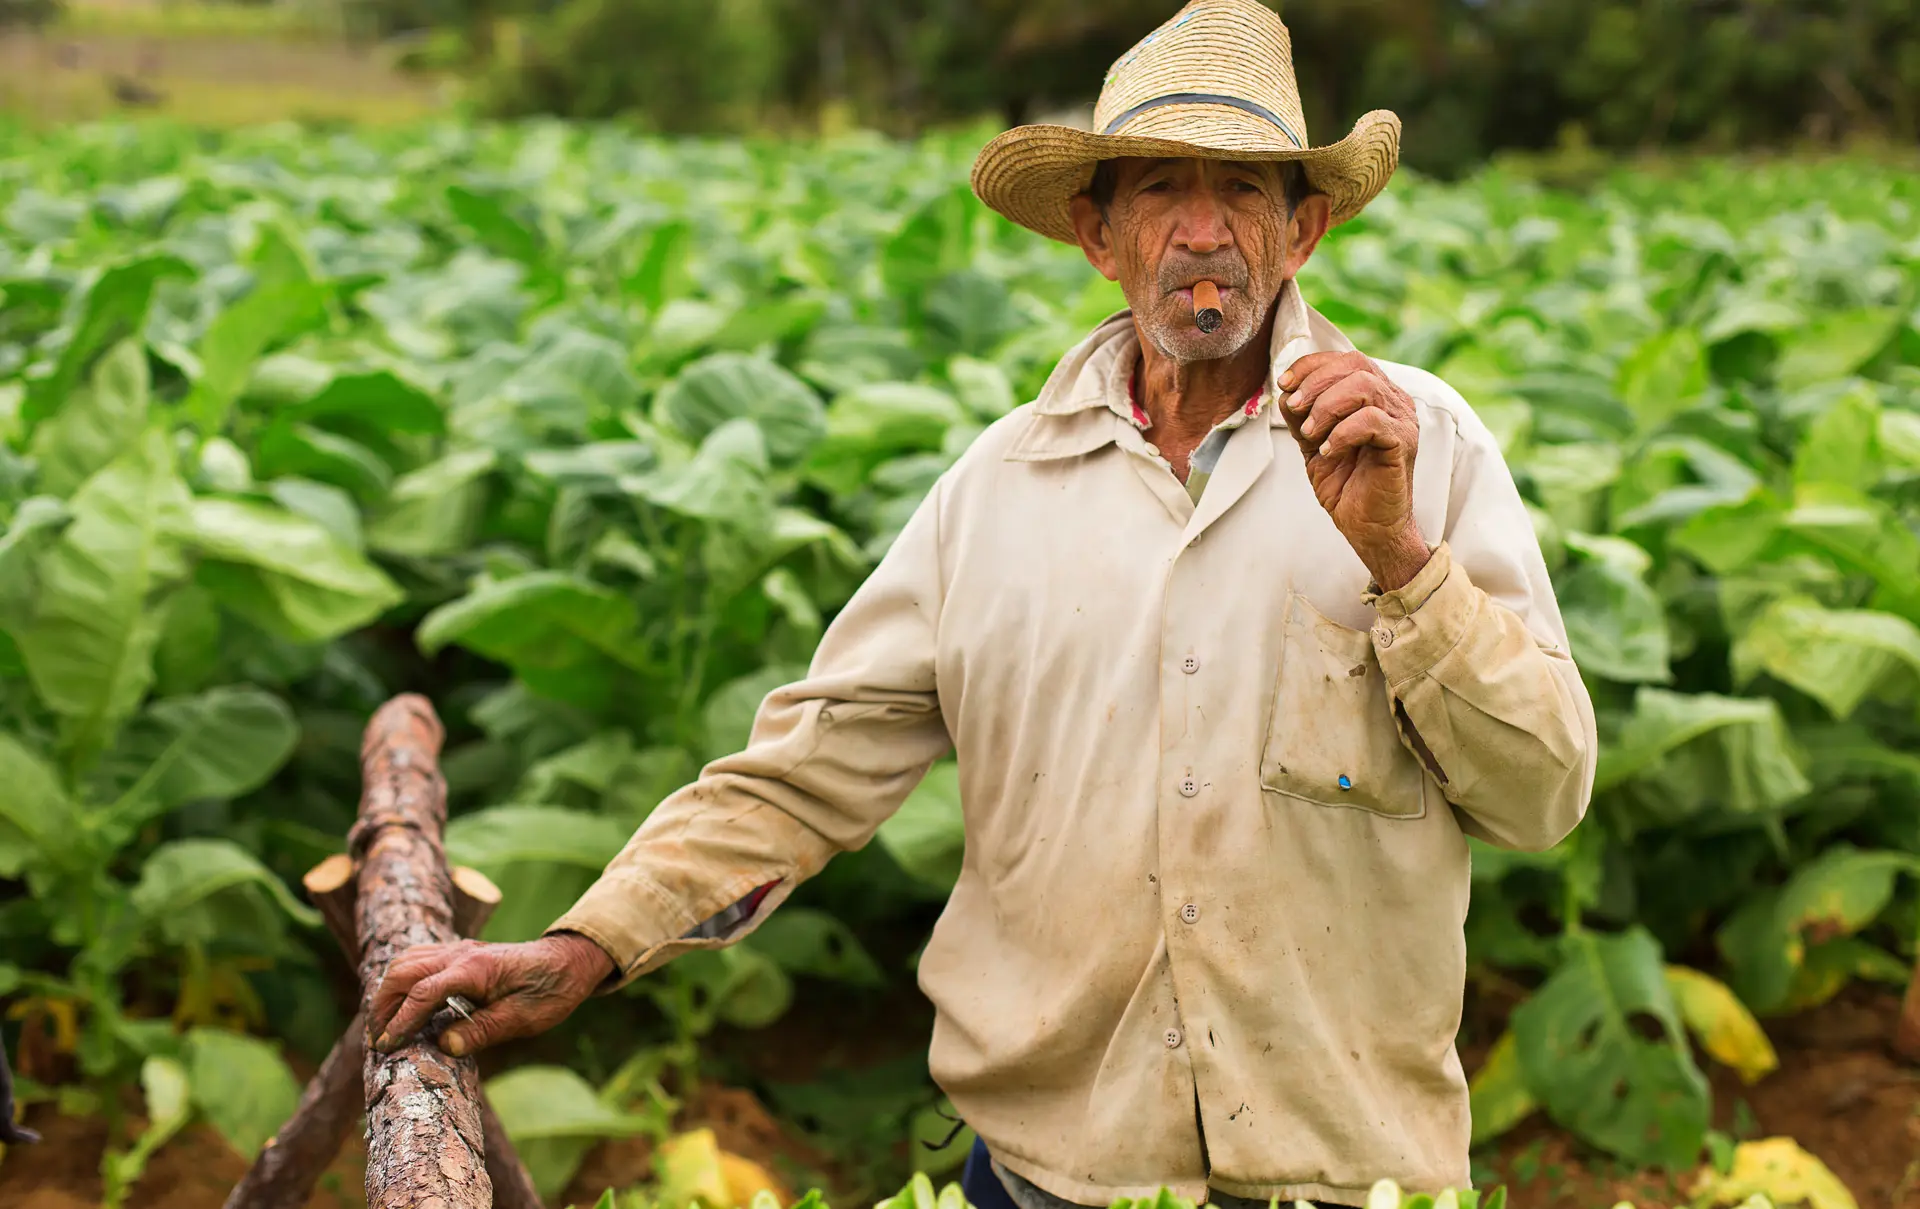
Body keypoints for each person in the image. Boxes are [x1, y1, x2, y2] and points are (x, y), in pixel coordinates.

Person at [368, 1, 1598, 1203]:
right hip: (1051, 1171)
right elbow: (812, 765)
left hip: (1341, 1171)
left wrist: (1403, 562)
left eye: (1244, 192)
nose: (1204, 232)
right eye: (1162, 190)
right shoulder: (997, 489)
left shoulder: (1420, 448)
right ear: (1095, 235)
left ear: (1306, 229)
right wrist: (592, 944)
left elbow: (1543, 792)